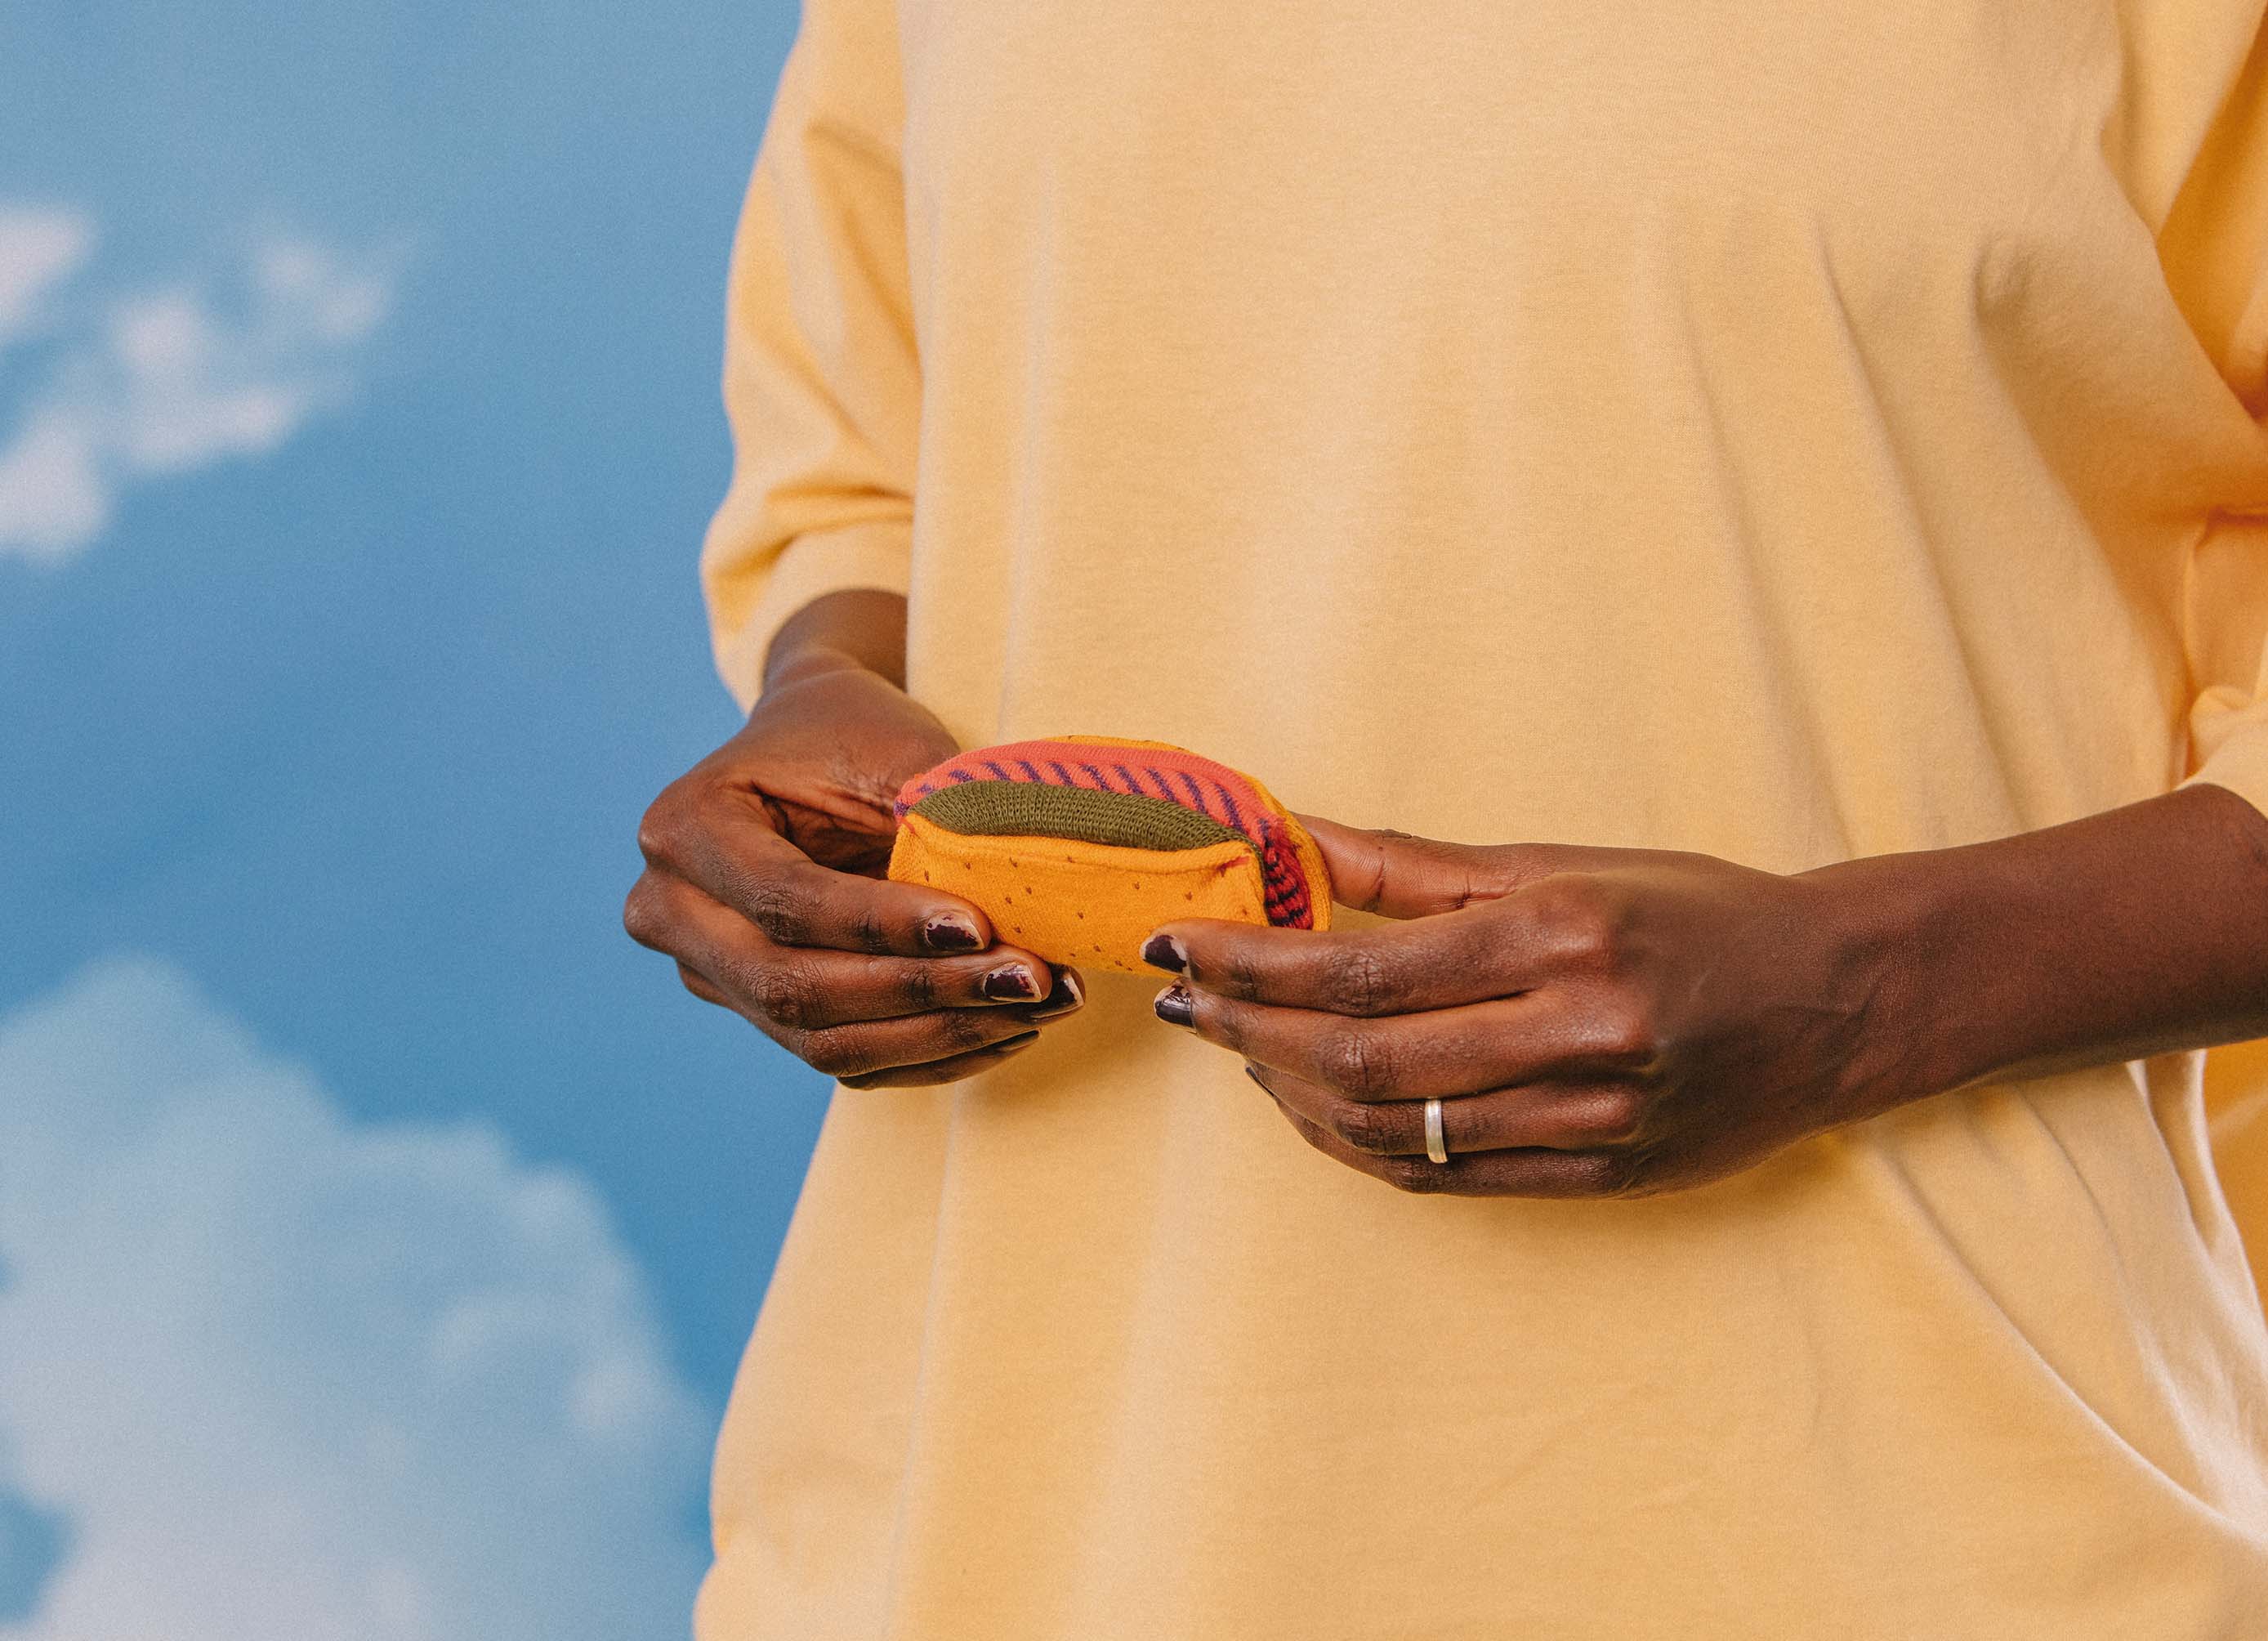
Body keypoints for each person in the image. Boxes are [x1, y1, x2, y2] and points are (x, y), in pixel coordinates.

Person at [623, 2, 2268, 1633]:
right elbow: (865, 474)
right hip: (991, 1520)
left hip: (1912, 1521)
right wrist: (820, 697)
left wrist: (1866, 986)